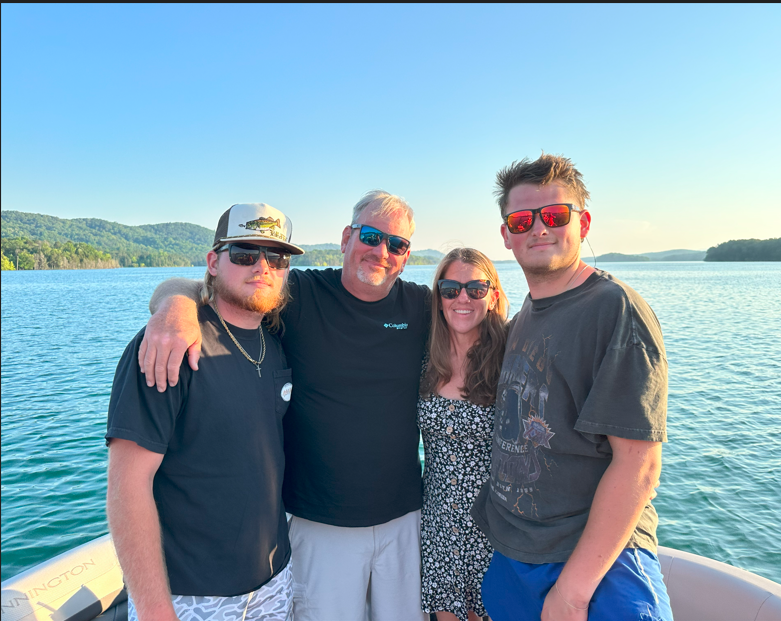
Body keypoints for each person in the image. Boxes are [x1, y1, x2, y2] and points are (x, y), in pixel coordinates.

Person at [138, 191, 430, 621]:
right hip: (319, 521)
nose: (381, 251)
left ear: (406, 256)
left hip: (405, 517)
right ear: (348, 237)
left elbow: (478, 311)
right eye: (371, 236)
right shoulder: (299, 294)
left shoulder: (421, 306)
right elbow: (209, 285)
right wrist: (173, 308)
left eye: (397, 244)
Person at [471, 154, 674, 621]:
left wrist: (573, 593)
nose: (539, 229)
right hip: (517, 558)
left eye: (555, 216)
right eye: (522, 220)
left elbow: (639, 465)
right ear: (506, 234)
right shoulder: (523, 318)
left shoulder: (614, 310)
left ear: (582, 223)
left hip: (597, 569)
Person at [106, 203, 303, 621]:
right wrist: (157, 610)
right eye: (245, 254)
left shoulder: (276, 341)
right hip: (191, 595)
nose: (263, 267)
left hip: (274, 581)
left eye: (277, 257)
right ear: (213, 262)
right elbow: (127, 485)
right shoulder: (169, 346)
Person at [418, 248, 508, 621]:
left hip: (494, 527)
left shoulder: (510, 356)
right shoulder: (424, 359)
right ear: (439, 299)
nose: (463, 298)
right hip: (438, 523)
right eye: (451, 289)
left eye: (475, 288)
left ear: (494, 296)